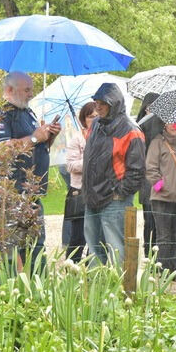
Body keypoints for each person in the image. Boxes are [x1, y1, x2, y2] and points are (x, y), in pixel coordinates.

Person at [0, 72, 61, 273]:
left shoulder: (28, 112)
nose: (31, 94)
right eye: (26, 90)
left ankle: (37, 293)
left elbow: (36, 146)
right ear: (9, 90)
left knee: (36, 246)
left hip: (32, 193)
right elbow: (2, 149)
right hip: (11, 194)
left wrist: (48, 136)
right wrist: (34, 138)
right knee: (9, 249)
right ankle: (7, 294)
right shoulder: (0, 114)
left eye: (31, 89)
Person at [83, 83, 146, 266]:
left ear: (114, 103)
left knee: (116, 249)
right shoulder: (95, 125)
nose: (98, 106)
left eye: (103, 102)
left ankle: (117, 290)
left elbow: (137, 170)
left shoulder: (131, 130)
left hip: (114, 199)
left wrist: (120, 193)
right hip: (92, 197)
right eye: (96, 102)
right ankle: (97, 290)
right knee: (94, 250)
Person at [146, 123, 176, 276]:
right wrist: (160, 185)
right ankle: (164, 268)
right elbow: (150, 168)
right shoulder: (157, 142)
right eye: (170, 122)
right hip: (161, 198)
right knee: (163, 236)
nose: (173, 126)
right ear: (164, 123)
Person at [64, 102, 98, 263]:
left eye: (98, 116)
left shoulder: (105, 137)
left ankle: (93, 271)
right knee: (78, 236)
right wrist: (89, 161)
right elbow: (70, 165)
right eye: (91, 116)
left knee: (97, 236)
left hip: (100, 191)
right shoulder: (77, 138)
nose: (95, 119)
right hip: (81, 192)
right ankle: (73, 267)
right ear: (84, 119)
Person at [137, 92, 163, 256]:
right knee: (153, 220)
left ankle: (150, 253)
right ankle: (151, 253)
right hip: (151, 180)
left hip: (152, 180)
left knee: (154, 221)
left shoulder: (141, 125)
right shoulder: (143, 126)